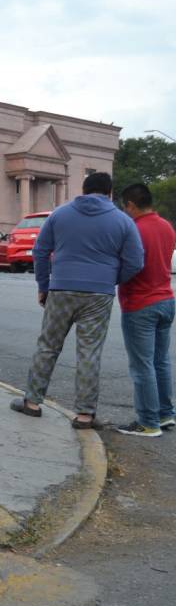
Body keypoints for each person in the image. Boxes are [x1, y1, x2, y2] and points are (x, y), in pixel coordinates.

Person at [10, 172, 144, 428]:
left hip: (61, 288)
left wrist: (43, 285)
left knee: (48, 346)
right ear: (110, 193)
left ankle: (32, 403)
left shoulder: (59, 215)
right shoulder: (123, 221)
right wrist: (110, 278)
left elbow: (40, 251)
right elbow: (135, 261)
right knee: (89, 352)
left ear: (83, 190)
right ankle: (84, 415)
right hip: (99, 295)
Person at [115, 183, 176, 437]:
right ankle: (165, 414)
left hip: (140, 303)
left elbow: (132, 264)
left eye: (124, 207)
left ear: (131, 205)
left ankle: (148, 422)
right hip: (166, 299)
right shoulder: (166, 226)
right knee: (161, 361)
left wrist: (117, 278)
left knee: (142, 366)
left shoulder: (134, 230)